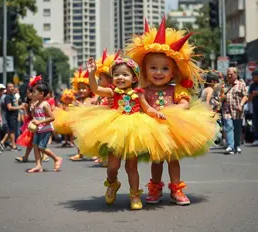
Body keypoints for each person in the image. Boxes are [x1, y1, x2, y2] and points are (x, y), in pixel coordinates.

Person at [125, 16, 217, 205]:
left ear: (173, 72)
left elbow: (184, 104)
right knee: (156, 160)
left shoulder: (176, 89)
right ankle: (155, 187)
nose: (159, 72)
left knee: (173, 159)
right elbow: (140, 105)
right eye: (153, 68)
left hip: (172, 126)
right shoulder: (144, 90)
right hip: (151, 128)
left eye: (165, 68)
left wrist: (172, 110)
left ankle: (176, 188)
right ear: (144, 70)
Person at [71, 56, 173, 210]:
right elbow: (95, 89)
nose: (120, 77)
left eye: (125, 74)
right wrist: (91, 74)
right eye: (117, 74)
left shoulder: (138, 93)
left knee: (132, 167)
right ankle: (113, 183)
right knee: (113, 165)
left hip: (134, 129)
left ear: (134, 78)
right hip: (114, 128)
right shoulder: (112, 92)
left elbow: (147, 108)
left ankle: (135, 195)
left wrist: (156, 113)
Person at [27, 77, 62, 173]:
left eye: (34, 92)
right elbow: (35, 116)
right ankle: (38, 166)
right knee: (35, 146)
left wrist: (39, 122)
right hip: (38, 129)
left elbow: (52, 118)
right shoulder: (36, 104)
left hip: (46, 129)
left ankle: (56, 158)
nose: (31, 94)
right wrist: (33, 109)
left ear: (41, 94)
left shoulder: (45, 105)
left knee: (41, 147)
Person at [69, 68, 96, 161]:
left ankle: (94, 153)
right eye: (79, 88)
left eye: (84, 88)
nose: (81, 90)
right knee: (77, 137)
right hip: (79, 122)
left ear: (89, 89)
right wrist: (74, 105)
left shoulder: (91, 99)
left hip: (89, 122)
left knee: (91, 139)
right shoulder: (78, 99)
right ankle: (79, 153)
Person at [222, 67, 248, 154]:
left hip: (238, 111)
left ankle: (237, 145)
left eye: (231, 74)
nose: (229, 76)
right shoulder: (224, 85)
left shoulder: (241, 84)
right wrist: (221, 97)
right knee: (228, 127)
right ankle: (230, 146)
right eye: (228, 74)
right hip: (226, 110)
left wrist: (241, 104)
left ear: (236, 75)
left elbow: (245, 96)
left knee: (237, 129)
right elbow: (220, 98)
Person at [0, 83, 24, 151]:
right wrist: (20, 107)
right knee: (12, 131)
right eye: (10, 87)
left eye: (13, 86)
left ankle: (2, 142)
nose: (12, 88)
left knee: (11, 131)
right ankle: (13, 146)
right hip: (10, 116)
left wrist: (21, 106)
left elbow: (15, 105)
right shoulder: (8, 97)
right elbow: (9, 107)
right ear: (7, 89)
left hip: (15, 115)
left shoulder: (13, 96)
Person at [249, 70, 258, 145]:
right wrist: (253, 94)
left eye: (253, 76)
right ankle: (256, 138)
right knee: (255, 123)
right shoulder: (252, 85)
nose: (252, 78)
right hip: (255, 108)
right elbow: (249, 98)